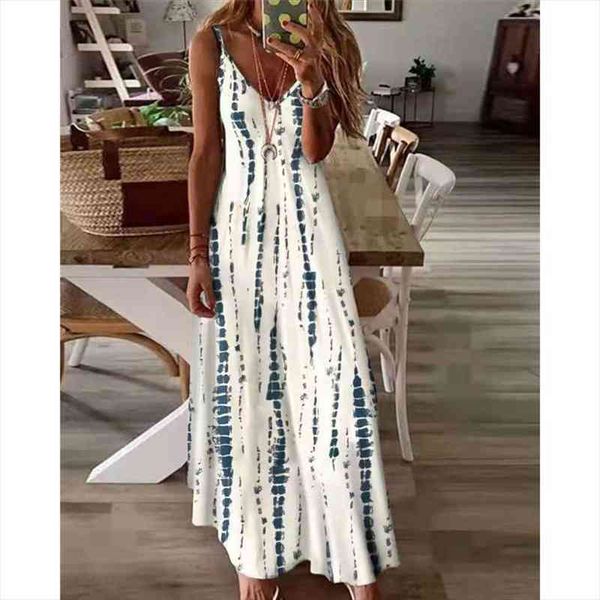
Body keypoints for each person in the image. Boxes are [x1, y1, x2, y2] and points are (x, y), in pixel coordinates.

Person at [185, 1, 400, 599]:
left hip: (311, 231)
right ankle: (255, 553)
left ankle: (353, 553)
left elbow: (315, 150)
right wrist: (197, 254)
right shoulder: (211, 43)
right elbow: (205, 152)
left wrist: (312, 81)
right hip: (236, 235)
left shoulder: (324, 39)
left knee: (333, 385)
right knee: (246, 387)